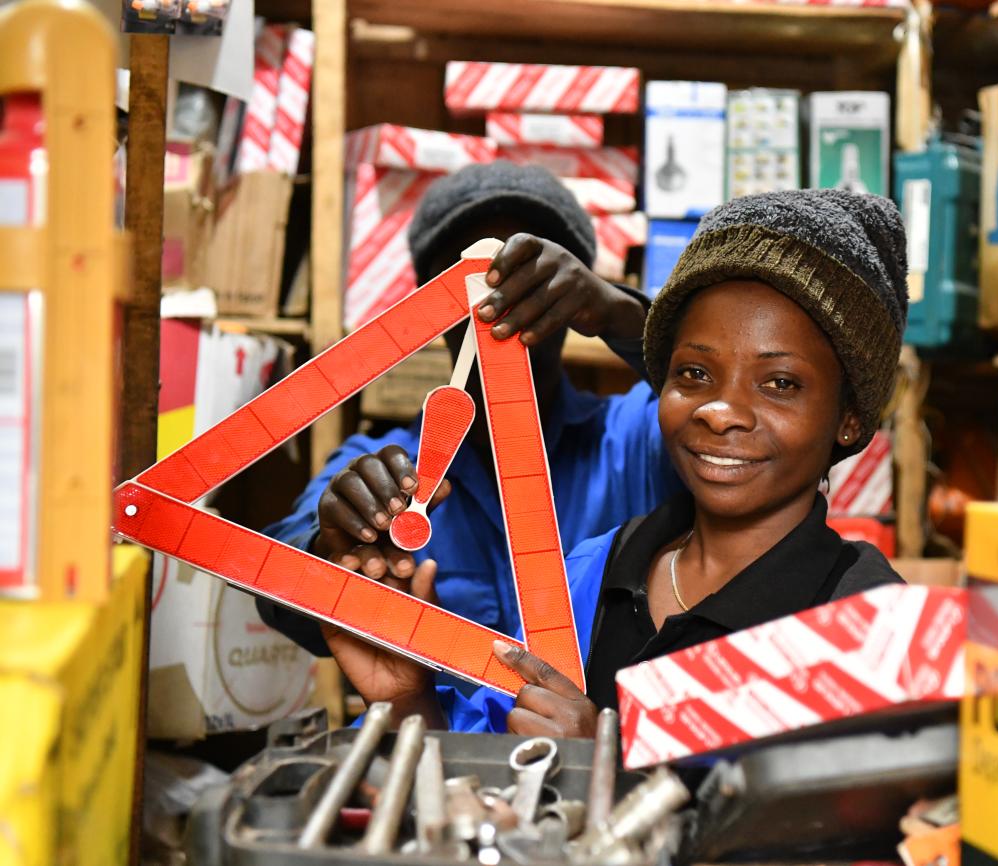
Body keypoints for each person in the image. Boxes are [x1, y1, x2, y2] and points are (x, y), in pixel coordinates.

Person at [329, 188, 911, 736]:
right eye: (694, 373)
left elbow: (860, 830)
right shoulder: (597, 571)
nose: (720, 411)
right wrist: (407, 700)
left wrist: (603, 767)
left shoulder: (871, 624)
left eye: (780, 382)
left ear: (849, 419)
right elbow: (484, 758)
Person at [257, 162, 682, 654]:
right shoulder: (386, 468)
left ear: (578, 298)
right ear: (431, 309)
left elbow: (724, 400)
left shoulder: (637, 435)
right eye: (469, 280)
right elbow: (278, 586)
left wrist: (623, 313)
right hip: (438, 730)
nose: (501, 297)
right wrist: (328, 549)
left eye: (533, 279)